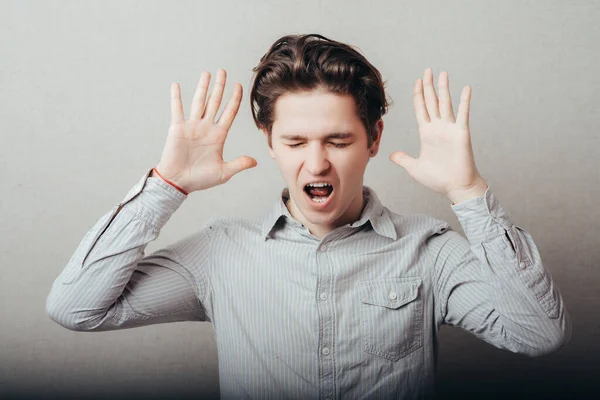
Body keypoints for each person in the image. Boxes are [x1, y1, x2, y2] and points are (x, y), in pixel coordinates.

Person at [46, 33, 571, 399]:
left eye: (338, 140)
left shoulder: (429, 251)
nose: (316, 162)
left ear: (373, 140)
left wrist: (468, 192)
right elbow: (76, 307)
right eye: (295, 140)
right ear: (271, 143)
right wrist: (165, 186)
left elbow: (539, 335)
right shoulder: (221, 252)